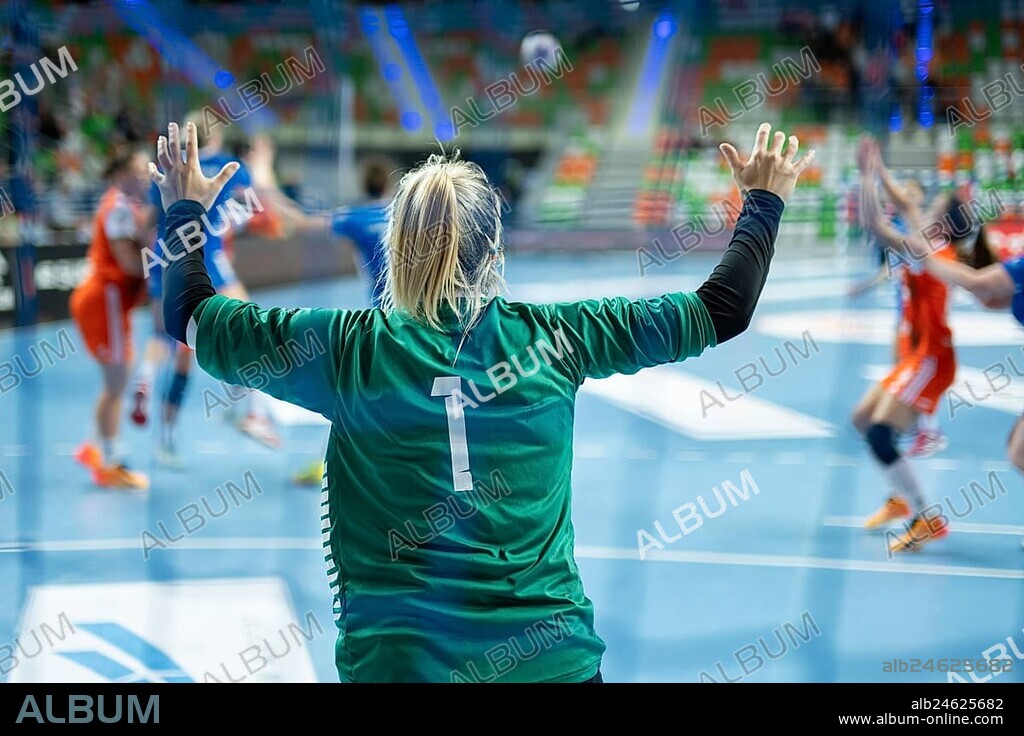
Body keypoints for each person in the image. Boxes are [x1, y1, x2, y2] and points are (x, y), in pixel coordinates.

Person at [153, 120, 813, 682]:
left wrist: (185, 211)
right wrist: (762, 201)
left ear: (395, 251)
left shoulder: (347, 349)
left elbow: (185, 311)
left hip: (401, 663)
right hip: (551, 660)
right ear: (494, 252)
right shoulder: (561, 338)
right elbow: (722, 309)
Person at [132, 112, 281, 467]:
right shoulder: (233, 167)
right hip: (208, 258)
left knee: (173, 344)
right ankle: (250, 409)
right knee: (249, 327)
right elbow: (256, 211)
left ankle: (162, 427)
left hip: (163, 258)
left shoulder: (167, 166)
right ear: (215, 136)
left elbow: (148, 221)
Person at [852, 141, 980, 554]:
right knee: (862, 420)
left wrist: (867, 177)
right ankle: (901, 497)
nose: (919, 211)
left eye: (930, 209)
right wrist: (877, 166)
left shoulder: (927, 250)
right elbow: (902, 206)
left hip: (931, 357)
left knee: (880, 435)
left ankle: (926, 518)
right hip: (917, 354)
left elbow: (875, 223)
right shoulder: (927, 240)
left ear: (940, 223)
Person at [71, 148, 152, 490]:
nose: (146, 176)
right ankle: (110, 462)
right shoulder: (118, 208)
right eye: (139, 169)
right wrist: (169, 261)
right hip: (105, 300)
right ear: (121, 174)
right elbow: (131, 263)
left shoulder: (126, 204)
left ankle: (93, 447)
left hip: (112, 301)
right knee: (118, 383)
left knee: (115, 382)